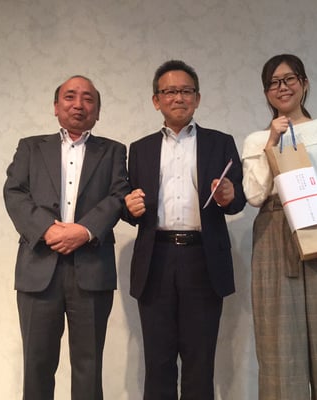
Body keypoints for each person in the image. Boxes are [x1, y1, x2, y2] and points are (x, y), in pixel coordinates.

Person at [123, 59, 246, 400]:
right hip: (155, 259)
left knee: (199, 362)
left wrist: (229, 195)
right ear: (156, 100)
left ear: (198, 98)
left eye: (186, 91)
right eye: (170, 91)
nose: (178, 97)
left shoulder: (220, 142)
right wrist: (128, 207)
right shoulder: (140, 149)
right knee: (158, 362)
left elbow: (238, 199)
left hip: (202, 259)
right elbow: (130, 205)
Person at [241, 54, 317, 400]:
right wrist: (271, 144)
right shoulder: (256, 140)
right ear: (266, 92)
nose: (282, 87)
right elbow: (254, 195)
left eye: (289, 79)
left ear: (305, 83)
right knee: (279, 346)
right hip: (273, 233)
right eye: (273, 83)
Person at [3, 75, 130, 400]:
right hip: (38, 269)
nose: (78, 104)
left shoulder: (113, 151)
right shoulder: (31, 147)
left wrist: (84, 231)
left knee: (89, 366)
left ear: (97, 111)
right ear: (56, 106)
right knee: (37, 365)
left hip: (92, 269)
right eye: (70, 97)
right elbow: (14, 192)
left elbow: (119, 195)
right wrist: (47, 229)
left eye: (88, 98)